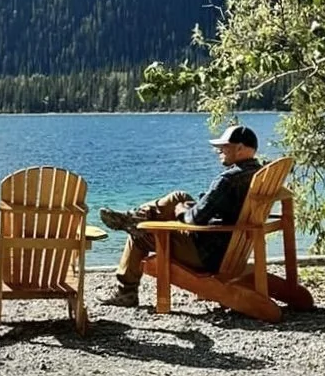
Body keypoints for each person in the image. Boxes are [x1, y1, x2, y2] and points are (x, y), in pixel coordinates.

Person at [98, 124, 262, 308]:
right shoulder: (257, 173)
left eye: (223, 146)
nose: (218, 151)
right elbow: (217, 209)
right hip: (227, 246)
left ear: (239, 148)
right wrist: (191, 206)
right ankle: (134, 216)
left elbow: (194, 220)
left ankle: (126, 292)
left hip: (206, 254)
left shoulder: (228, 180)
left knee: (139, 234)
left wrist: (182, 212)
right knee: (179, 196)